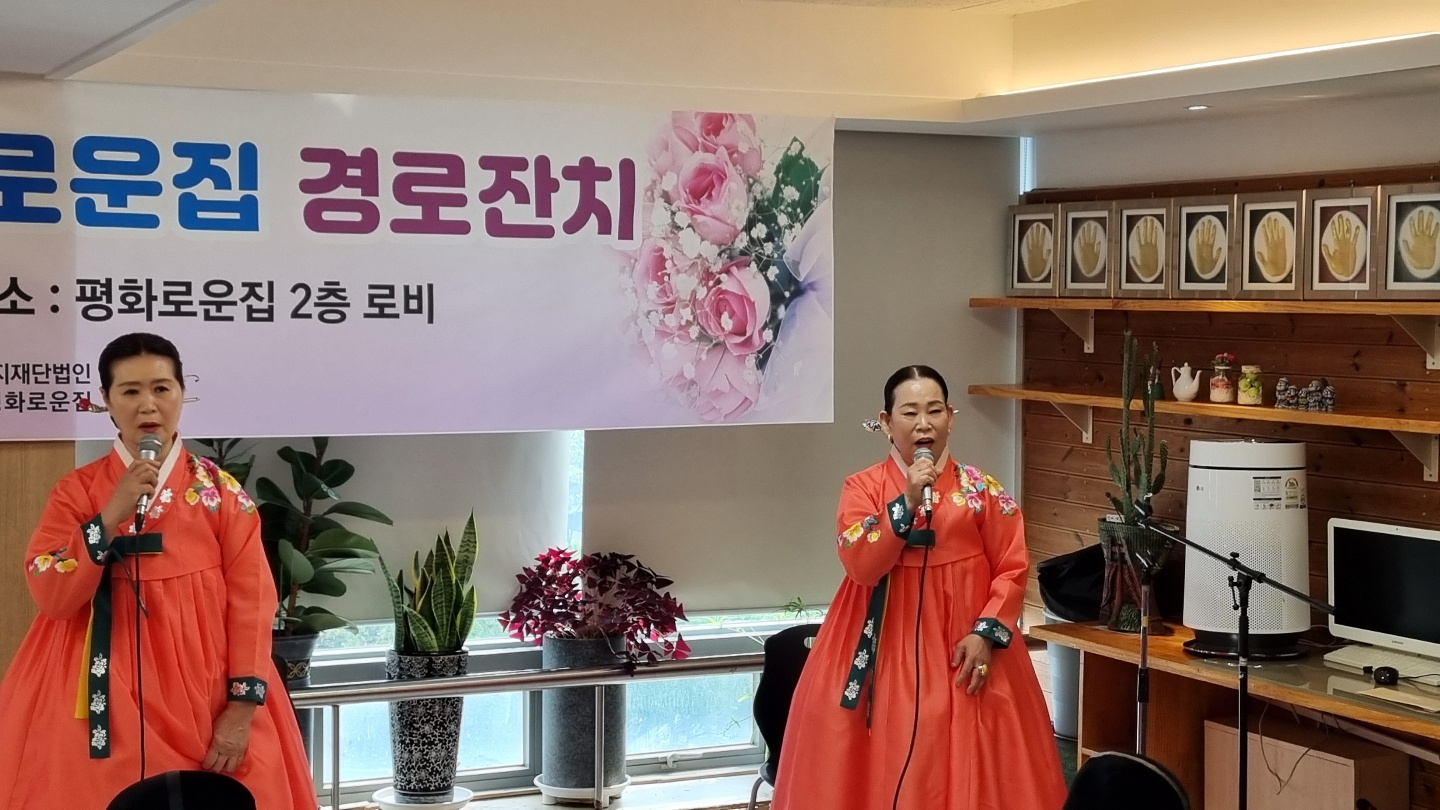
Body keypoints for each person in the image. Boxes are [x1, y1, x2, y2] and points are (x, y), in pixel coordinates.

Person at [0, 333, 317, 810]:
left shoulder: (219, 493)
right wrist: (110, 516)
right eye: (129, 391)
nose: (147, 405)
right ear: (107, 400)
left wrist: (241, 707)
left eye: (161, 388)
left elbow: (252, 601)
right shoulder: (76, 491)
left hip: (205, 687)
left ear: (182, 393)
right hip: (97, 680)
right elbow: (53, 596)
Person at [771, 365, 1067, 810]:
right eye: (909, 413)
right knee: (873, 741)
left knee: (978, 750)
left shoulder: (982, 490)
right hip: (884, 641)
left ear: (951, 417)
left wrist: (986, 634)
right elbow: (861, 566)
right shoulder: (862, 488)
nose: (924, 423)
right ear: (886, 422)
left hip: (965, 644)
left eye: (935, 411)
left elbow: (1012, 565)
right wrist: (907, 501)